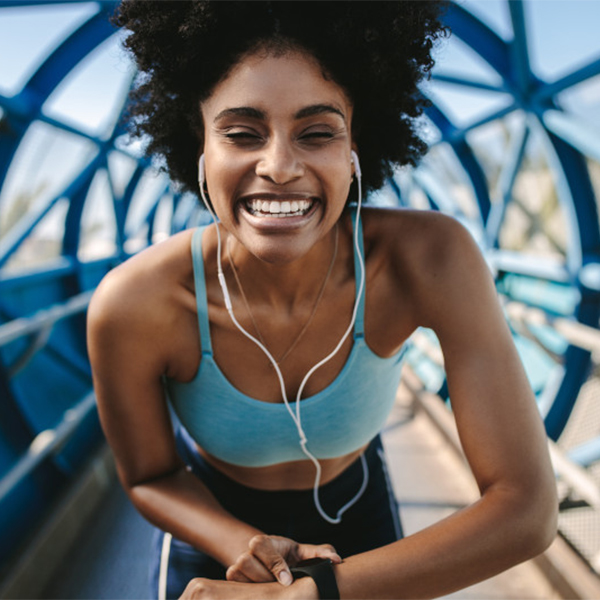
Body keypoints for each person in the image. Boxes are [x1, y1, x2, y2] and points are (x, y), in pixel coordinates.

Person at [87, 2, 558, 599]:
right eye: (240, 133)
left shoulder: (430, 259)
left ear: (355, 145)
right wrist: (242, 546)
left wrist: (310, 593)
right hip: (215, 539)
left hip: (360, 517)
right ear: (200, 147)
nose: (280, 166)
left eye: (317, 132)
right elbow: (150, 476)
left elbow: (528, 508)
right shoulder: (135, 303)